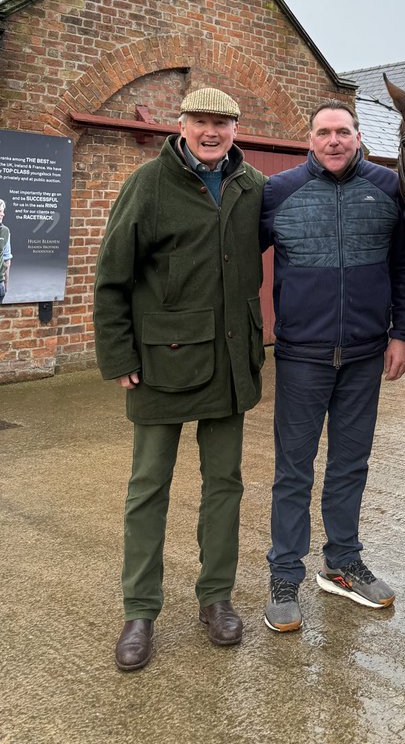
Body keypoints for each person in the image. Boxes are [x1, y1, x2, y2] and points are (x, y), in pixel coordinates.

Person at [94, 88, 266, 672]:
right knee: (149, 488)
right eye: (201, 121)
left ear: (235, 127)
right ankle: (139, 610)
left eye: (222, 121)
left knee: (226, 485)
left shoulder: (251, 188)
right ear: (182, 125)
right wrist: (118, 356)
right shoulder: (148, 183)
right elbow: (112, 278)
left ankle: (215, 598)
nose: (211, 131)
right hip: (161, 362)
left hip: (230, 361)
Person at [260, 99, 405, 632]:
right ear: (309, 139)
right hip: (302, 356)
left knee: (351, 464)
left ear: (358, 137)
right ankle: (285, 574)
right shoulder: (278, 193)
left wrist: (402, 334)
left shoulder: (388, 189)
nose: (334, 140)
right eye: (324, 132)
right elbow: (232, 263)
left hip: (366, 353)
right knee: (293, 470)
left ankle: (342, 561)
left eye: (343, 132)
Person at [0, 199, 10, 302]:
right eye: (0, 211)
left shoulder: (5, 231)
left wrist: (6, 282)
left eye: (3, 211)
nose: (3, 214)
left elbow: (7, 257)